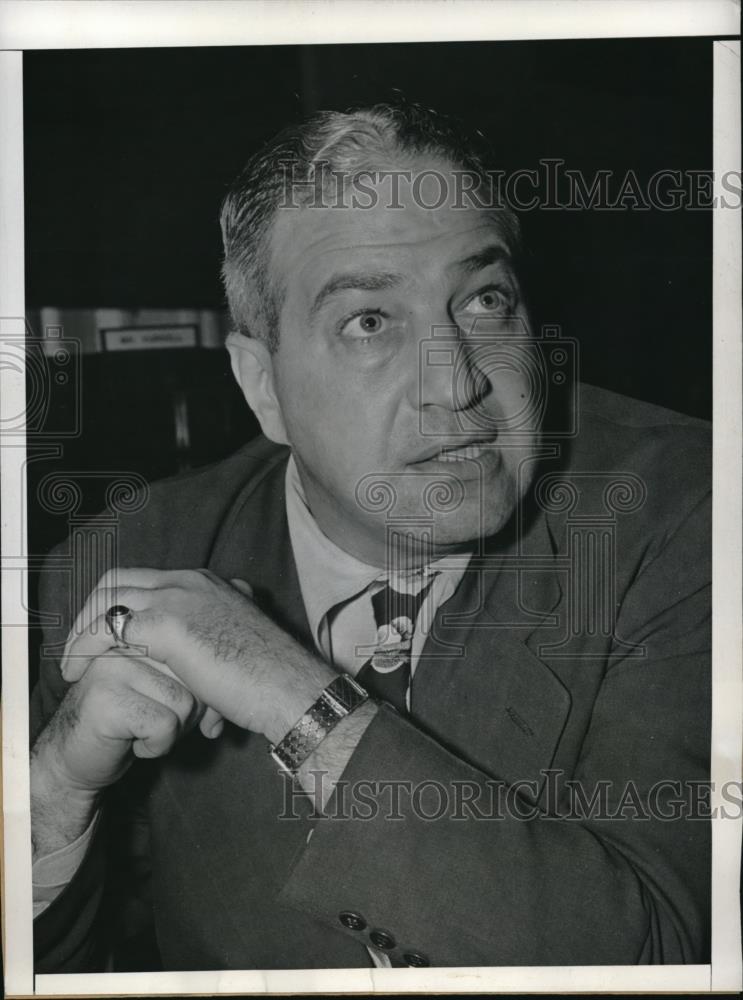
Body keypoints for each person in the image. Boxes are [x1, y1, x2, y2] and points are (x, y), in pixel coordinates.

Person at [30, 104, 711, 972]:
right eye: (369, 322)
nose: (457, 382)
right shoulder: (120, 560)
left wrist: (287, 691)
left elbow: (656, 955)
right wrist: (54, 792)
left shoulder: (687, 509)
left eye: (483, 299)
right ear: (261, 385)